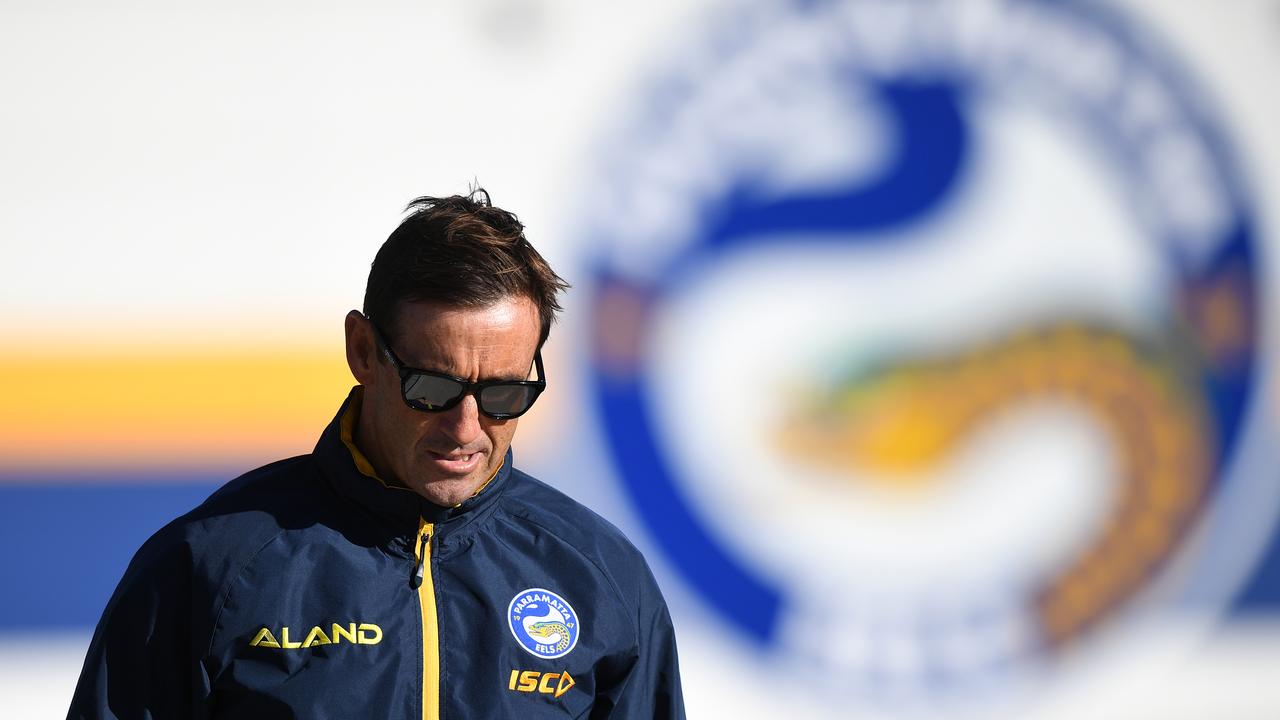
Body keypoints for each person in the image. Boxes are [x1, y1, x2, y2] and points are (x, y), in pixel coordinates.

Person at [68, 189, 685, 719]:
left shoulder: (602, 575)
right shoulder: (208, 567)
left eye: (504, 393)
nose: (466, 426)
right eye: (434, 388)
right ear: (363, 350)